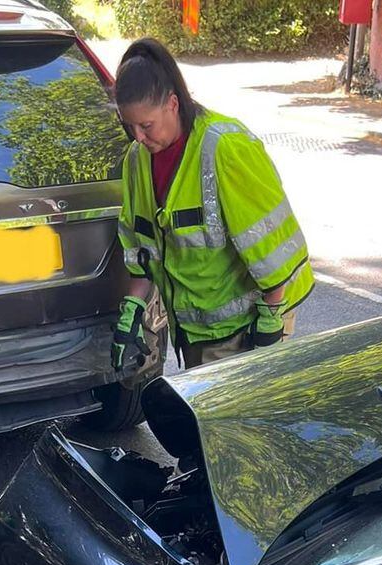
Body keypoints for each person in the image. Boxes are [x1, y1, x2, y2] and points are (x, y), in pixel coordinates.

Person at [110, 38, 314, 370]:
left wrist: (271, 320)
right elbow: (143, 246)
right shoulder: (137, 160)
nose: (138, 137)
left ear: (173, 104)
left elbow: (271, 246)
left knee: (230, 422)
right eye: (129, 126)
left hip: (244, 329)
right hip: (194, 331)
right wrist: (132, 307)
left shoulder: (225, 149)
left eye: (146, 125)